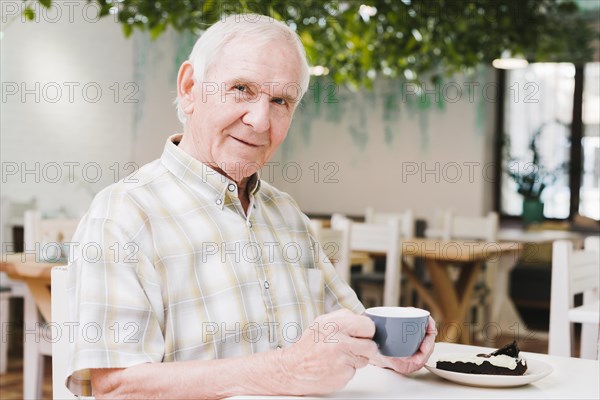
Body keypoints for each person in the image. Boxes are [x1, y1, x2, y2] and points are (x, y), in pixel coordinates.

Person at [66, 14, 437, 399]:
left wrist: (391, 348)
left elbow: (350, 329)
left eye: (280, 100)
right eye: (242, 89)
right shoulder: (124, 213)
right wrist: (281, 372)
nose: (260, 121)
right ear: (190, 88)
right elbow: (117, 388)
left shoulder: (286, 212)